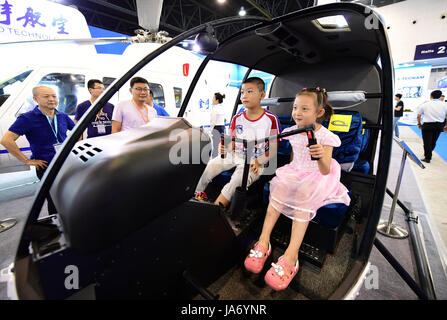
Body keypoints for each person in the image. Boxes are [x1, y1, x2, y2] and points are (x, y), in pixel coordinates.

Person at [244, 87, 350, 291]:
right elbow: (286, 154)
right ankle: (263, 242)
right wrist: (266, 162)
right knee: (278, 191)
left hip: (317, 174)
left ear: (319, 113)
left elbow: (325, 170)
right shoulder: (292, 131)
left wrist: (319, 156)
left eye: (304, 108)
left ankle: (291, 256)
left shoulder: (326, 137)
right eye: (294, 108)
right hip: (296, 170)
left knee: (304, 195)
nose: (297, 113)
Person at [194, 77, 280, 208]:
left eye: (249, 91)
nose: (244, 96)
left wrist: (258, 161)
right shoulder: (237, 118)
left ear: (262, 95)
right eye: (242, 92)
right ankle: (197, 197)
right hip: (235, 155)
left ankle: (216, 210)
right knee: (209, 167)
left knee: (236, 181)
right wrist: (225, 148)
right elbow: (232, 142)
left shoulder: (271, 119)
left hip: (255, 161)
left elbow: (273, 149)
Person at [0, 86, 75, 214]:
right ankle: (56, 227)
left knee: (71, 196)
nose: (51, 99)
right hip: (46, 166)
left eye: (54, 96)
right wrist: (27, 161)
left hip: (66, 163)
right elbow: (6, 140)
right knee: (54, 201)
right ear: (36, 99)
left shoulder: (62, 115)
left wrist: (73, 150)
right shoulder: (27, 118)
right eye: (46, 96)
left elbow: (76, 132)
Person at [416, 90, 447, 163]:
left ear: (431, 96)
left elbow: (418, 116)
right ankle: (429, 152)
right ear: (440, 96)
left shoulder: (425, 104)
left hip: (427, 125)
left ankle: (427, 157)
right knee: (433, 141)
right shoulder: (445, 105)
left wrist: (419, 123)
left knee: (427, 142)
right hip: (439, 125)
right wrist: (446, 125)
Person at [210, 92, 226, 158]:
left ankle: (214, 160)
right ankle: (221, 159)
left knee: (215, 146)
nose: (212, 99)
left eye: (213, 98)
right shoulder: (222, 108)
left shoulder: (215, 109)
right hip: (222, 128)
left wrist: (211, 130)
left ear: (217, 100)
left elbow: (212, 121)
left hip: (216, 128)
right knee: (222, 146)